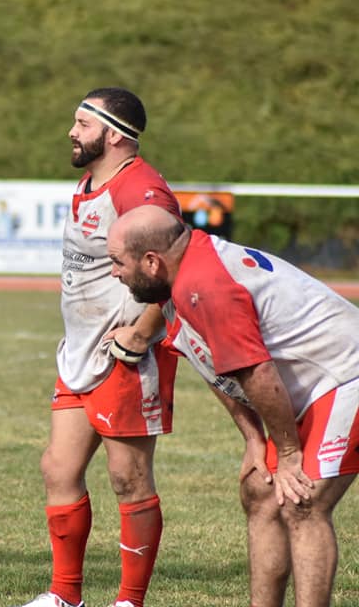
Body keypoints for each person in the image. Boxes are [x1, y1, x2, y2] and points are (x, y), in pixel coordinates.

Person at [108, 205, 359, 607]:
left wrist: (289, 453)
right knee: (260, 492)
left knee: (303, 503)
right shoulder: (175, 281)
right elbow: (216, 365)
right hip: (309, 389)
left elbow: (255, 371)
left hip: (346, 375)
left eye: (118, 261)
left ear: (152, 261)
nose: (113, 272)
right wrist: (253, 437)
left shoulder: (204, 285)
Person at [25, 88, 181, 607]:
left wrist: (139, 334)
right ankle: (65, 595)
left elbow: (176, 265)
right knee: (58, 469)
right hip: (80, 352)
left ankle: (130, 601)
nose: (72, 132)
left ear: (113, 134)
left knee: (127, 477)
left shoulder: (141, 189)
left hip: (126, 357)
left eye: (82, 124)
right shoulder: (92, 181)